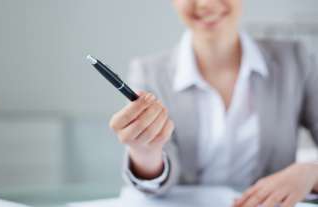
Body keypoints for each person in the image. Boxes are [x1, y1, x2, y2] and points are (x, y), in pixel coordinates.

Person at [108, 0, 318, 207]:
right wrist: (145, 152)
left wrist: (311, 173)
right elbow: (152, 185)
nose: (206, 3)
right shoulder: (149, 73)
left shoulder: (295, 60)